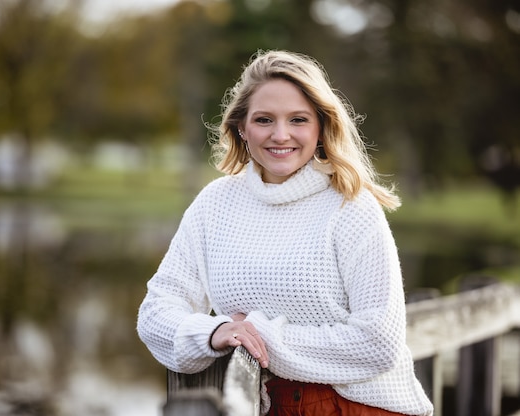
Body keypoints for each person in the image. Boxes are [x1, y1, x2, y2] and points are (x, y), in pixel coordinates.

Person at [137, 50, 433, 416]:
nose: (281, 135)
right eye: (264, 119)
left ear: (320, 126)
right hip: (259, 403)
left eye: (298, 119)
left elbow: (378, 342)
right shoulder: (214, 204)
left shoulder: (351, 207)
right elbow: (156, 313)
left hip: (356, 407)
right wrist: (214, 333)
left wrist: (260, 335)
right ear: (242, 127)